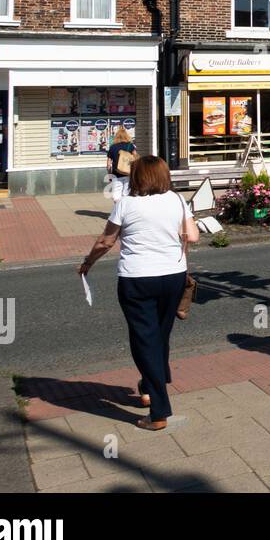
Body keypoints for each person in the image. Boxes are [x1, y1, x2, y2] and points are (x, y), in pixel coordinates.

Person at [79, 155, 199, 431]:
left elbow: (106, 241)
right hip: (172, 276)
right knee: (160, 334)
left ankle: (158, 411)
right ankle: (148, 386)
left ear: (137, 177)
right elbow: (191, 236)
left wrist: (87, 263)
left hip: (137, 278)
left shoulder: (126, 205)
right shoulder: (178, 201)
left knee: (144, 340)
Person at [106, 127, 136, 202]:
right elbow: (136, 158)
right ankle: (125, 211)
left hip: (116, 174)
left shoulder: (112, 147)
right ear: (126, 136)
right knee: (126, 194)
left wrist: (109, 175)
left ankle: (118, 211)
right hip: (128, 173)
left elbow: (108, 164)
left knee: (116, 195)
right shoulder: (130, 146)